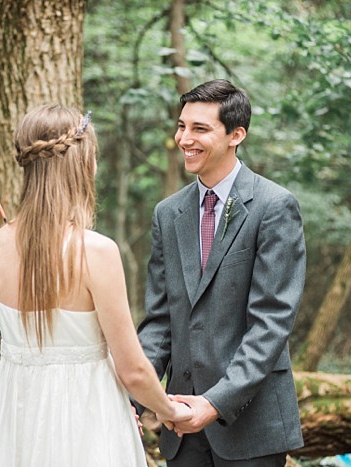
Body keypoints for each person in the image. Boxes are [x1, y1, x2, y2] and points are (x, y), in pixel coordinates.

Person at [0, 104, 192, 467]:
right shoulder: (96, 252)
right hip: (85, 419)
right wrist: (168, 410)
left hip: (14, 419)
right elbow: (133, 369)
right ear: (83, 165)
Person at [137, 79, 306, 466]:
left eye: (200, 129)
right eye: (182, 126)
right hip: (181, 424)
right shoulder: (168, 213)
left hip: (251, 424)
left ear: (236, 134)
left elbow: (271, 323)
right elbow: (160, 320)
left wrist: (214, 403)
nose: (184, 139)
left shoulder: (274, 206)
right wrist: (135, 396)